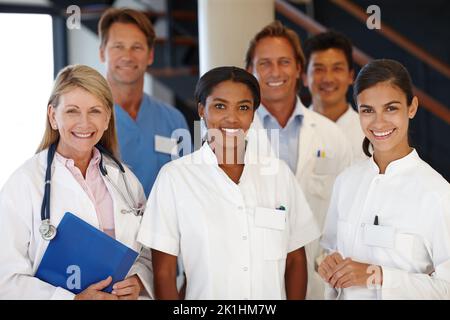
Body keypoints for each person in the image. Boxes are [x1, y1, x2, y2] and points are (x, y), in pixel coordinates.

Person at [137, 66, 320, 299]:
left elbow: (295, 259)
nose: (232, 118)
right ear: (202, 110)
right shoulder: (175, 178)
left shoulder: (278, 174)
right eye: (220, 106)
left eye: (243, 107)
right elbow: (164, 272)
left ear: (253, 114)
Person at [0, 65, 152, 300]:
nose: (85, 123)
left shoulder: (125, 180)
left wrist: (138, 280)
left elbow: (147, 253)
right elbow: (6, 280)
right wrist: (72, 299)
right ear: (53, 116)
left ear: (107, 118)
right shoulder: (24, 184)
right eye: (72, 111)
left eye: (94, 111)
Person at [319, 59, 450, 299]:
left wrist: (377, 276)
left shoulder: (438, 194)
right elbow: (329, 248)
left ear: (411, 108)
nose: (378, 122)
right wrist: (327, 261)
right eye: (368, 110)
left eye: (391, 108)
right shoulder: (346, 182)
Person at [245, 21, 352, 299]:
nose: (276, 72)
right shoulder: (232, 138)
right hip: (251, 278)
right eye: (265, 63)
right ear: (250, 71)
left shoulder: (332, 135)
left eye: (284, 62)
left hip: (318, 277)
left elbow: (348, 213)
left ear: (298, 70)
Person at [98, 8, 189, 197]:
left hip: (163, 225)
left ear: (150, 56)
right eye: (118, 46)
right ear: (102, 53)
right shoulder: (88, 119)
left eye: (137, 47)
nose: (128, 56)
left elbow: (187, 184)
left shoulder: (174, 120)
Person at [303, 31, 366, 161]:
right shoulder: (293, 131)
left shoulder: (368, 131)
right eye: (319, 69)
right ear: (304, 77)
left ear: (351, 76)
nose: (328, 79)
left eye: (337, 69)